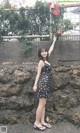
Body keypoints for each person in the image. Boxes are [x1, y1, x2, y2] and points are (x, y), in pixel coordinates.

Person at [33, 35, 57, 131]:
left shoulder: (47, 60)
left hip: (47, 84)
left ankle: (42, 121)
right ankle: (36, 122)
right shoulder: (41, 62)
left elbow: (51, 49)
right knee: (41, 103)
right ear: (40, 53)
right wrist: (35, 85)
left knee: (43, 104)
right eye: (42, 52)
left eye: (45, 51)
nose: (44, 53)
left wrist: (54, 41)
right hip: (42, 84)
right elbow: (38, 74)